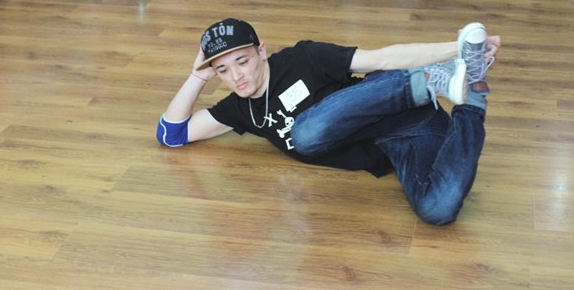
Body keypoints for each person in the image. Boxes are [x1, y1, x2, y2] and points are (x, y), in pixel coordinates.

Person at [157, 17, 500, 225]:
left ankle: (429, 79)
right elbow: (171, 134)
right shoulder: (239, 110)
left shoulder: (303, 58)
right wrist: (197, 75)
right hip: (401, 141)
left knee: (305, 135)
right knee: (437, 210)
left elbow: (381, 59)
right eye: (222, 70)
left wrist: (457, 48)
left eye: (242, 61)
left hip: (396, 99)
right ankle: (473, 94)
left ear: (261, 51)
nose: (236, 77)